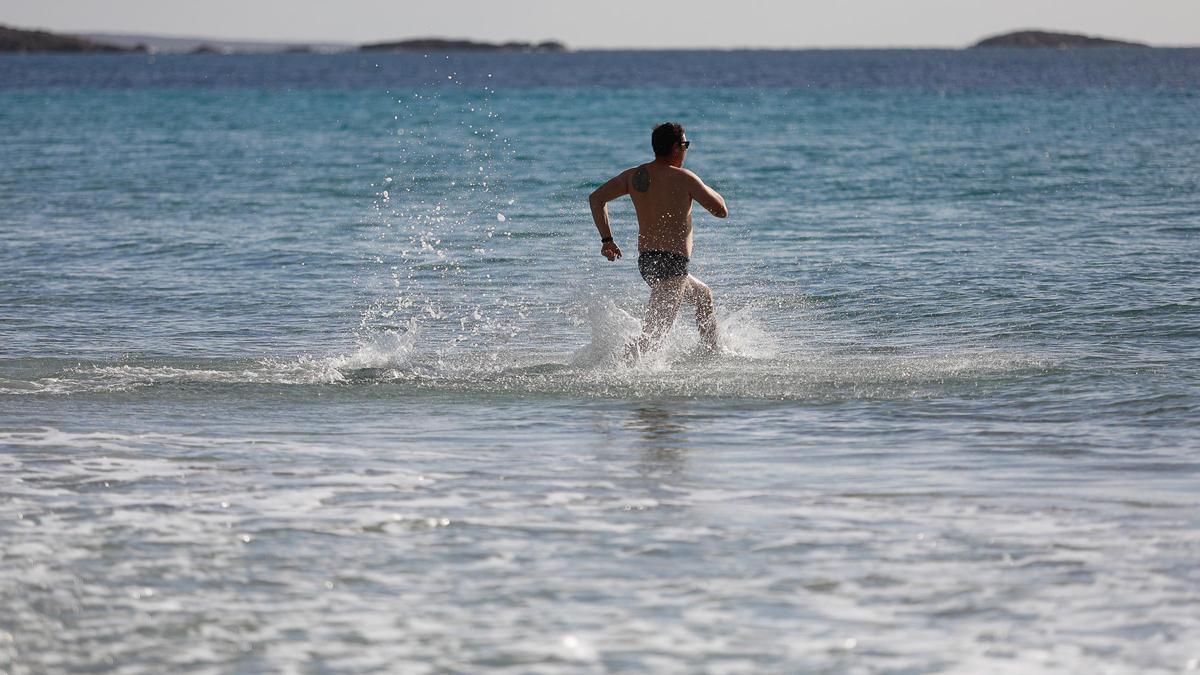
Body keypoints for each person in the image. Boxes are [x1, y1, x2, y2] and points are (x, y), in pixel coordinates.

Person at [588, 122, 728, 357]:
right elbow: (721, 210)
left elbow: (596, 199)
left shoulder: (634, 175)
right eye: (686, 145)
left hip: (648, 262)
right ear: (676, 148)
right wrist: (700, 184)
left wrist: (607, 240)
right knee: (653, 338)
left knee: (703, 296)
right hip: (672, 266)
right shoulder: (685, 178)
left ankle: (712, 356)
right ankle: (610, 371)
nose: (686, 150)